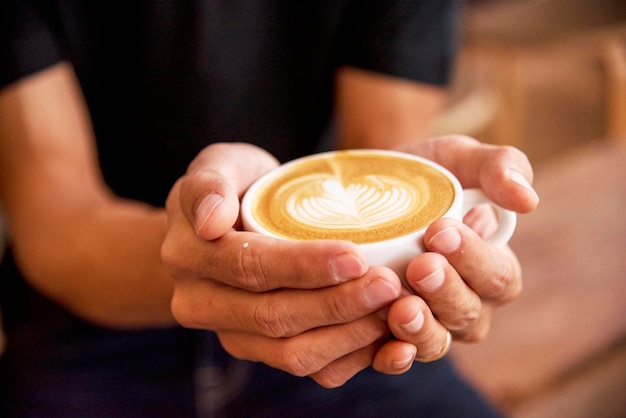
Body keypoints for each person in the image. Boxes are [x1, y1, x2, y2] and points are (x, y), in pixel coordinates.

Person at [0, 1, 538, 417]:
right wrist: (221, 263)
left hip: (347, 327)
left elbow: (382, 156)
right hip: (91, 327)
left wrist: (441, 266)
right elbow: (54, 222)